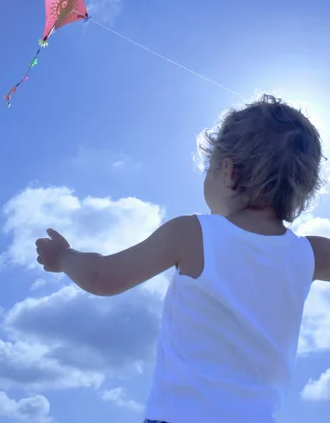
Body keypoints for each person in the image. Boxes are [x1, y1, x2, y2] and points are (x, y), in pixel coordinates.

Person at [35, 94, 330, 423]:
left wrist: (63, 257)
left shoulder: (193, 233)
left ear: (229, 172)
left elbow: (103, 276)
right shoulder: (311, 253)